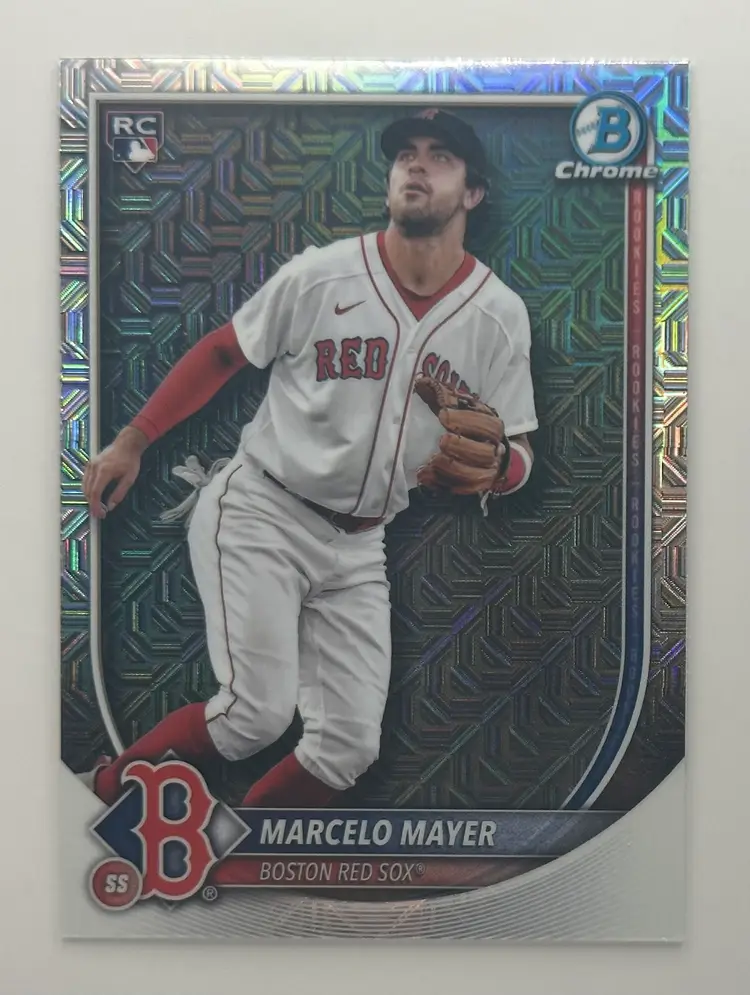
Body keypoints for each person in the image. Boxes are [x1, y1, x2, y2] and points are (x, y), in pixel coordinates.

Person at [80, 108, 538, 809]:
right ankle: (103, 794)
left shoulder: (499, 315)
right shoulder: (324, 274)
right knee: (253, 716)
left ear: (473, 193)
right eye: (405, 154)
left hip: (360, 548)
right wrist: (134, 439)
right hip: (263, 511)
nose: (416, 164)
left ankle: (235, 857)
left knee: (346, 748)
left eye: (440, 156)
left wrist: (503, 467)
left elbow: (520, 449)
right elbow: (226, 352)